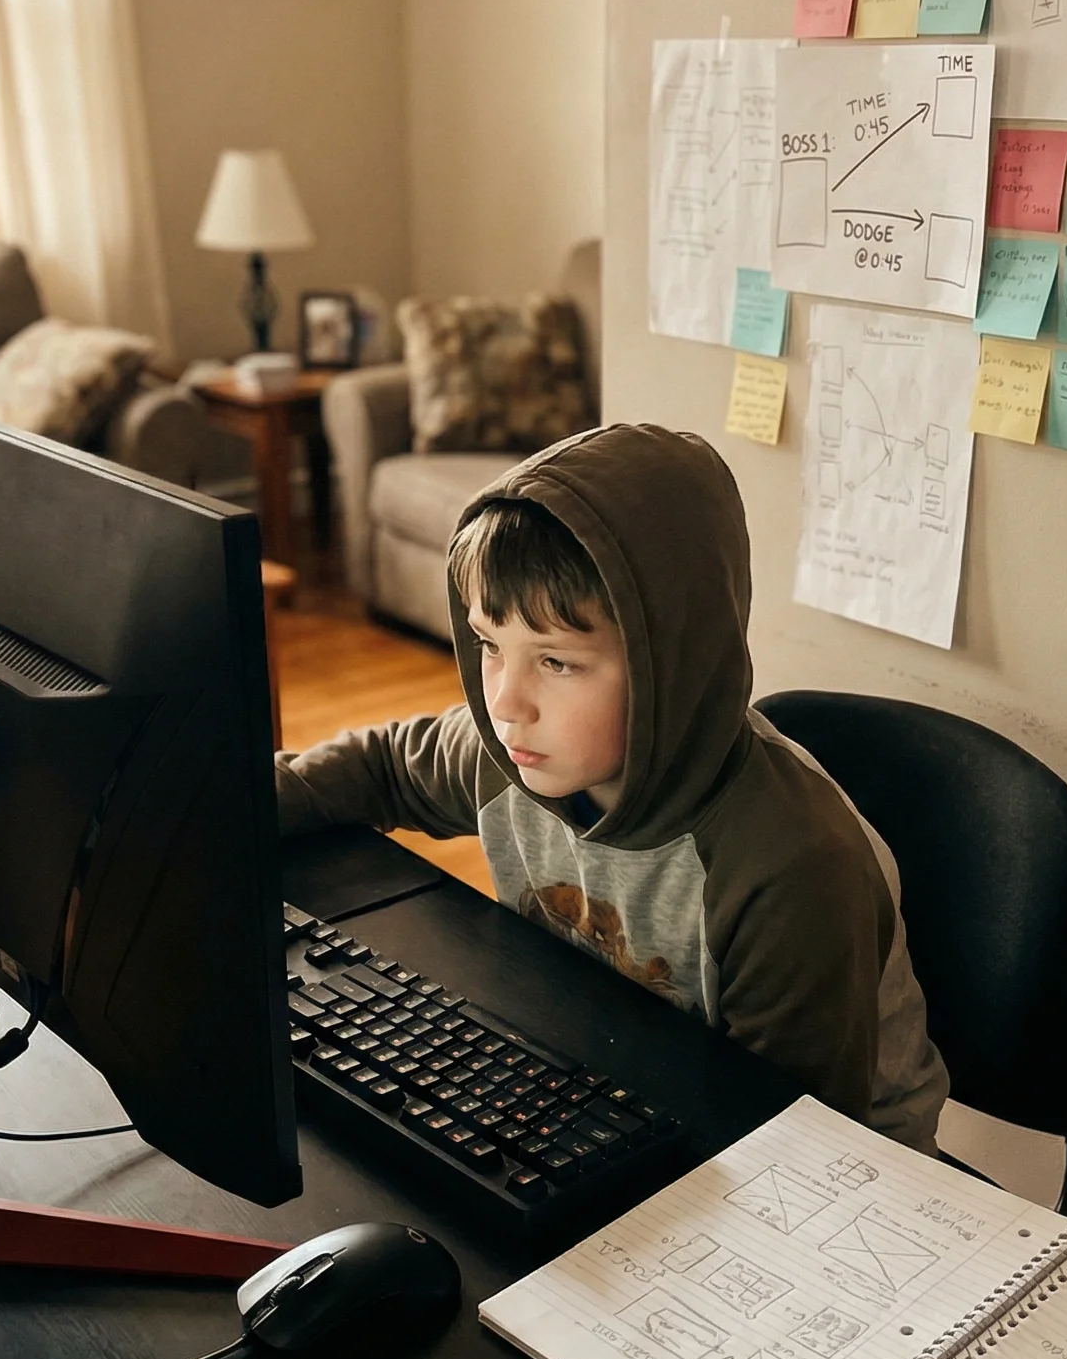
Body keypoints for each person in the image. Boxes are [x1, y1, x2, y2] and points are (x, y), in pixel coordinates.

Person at [275, 423, 949, 1150]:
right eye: (491, 645)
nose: (505, 702)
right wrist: (207, 808)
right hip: (612, 1081)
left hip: (837, 1172)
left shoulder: (794, 868)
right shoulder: (510, 753)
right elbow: (376, 767)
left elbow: (791, 1142)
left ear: (670, 666)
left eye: (557, 662)